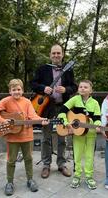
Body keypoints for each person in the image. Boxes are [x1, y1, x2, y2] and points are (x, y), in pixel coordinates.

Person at [0, 79, 49, 196]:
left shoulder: (27, 102)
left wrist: (42, 120)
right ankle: (9, 182)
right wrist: (2, 121)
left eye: (19, 89)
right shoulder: (6, 100)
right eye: (14, 90)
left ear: (22, 90)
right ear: (10, 91)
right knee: (11, 160)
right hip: (12, 137)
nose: (16, 92)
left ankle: (30, 179)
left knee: (29, 158)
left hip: (27, 136)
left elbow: (32, 116)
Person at [30, 44, 77, 179]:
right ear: (50, 55)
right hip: (47, 108)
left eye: (58, 53)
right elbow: (33, 84)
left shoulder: (68, 70)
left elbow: (74, 86)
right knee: (46, 137)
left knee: (63, 136)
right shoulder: (42, 69)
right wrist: (43, 88)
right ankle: (46, 164)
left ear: (62, 54)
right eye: (54, 53)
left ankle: (61, 164)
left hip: (63, 107)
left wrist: (66, 90)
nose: (56, 55)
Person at [58, 80, 101, 189]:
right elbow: (62, 110)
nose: (82, 88)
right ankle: (77, 175)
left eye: (85, 87)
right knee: (77, 155)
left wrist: (98, 125)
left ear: (91, 90)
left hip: (91, 133)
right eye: (80, 87)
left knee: (89, 156)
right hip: (77, 134)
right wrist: (66, 123)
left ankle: (89, 176)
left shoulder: (95, 103)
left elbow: (97, 119)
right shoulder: (75, 99)